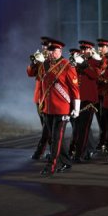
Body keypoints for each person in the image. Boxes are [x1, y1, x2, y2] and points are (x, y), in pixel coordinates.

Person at [37, 39, 80, 177]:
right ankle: (66, 161)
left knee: (56, 138)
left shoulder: (67, 66)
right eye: (50, 50)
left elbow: (75, 89)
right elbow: (34, 76)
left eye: (54, 51)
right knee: (55, 138)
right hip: (48, 108)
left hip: (62, 108)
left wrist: (76, 107)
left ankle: (51, 166)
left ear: (60, 51)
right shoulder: (45, 64)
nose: (51, 53)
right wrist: (35, 62)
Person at [72, 40, 102, 163]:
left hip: (88, 100)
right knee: (77, 128)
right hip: (77, 99)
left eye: (86, 49)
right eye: (82, 49)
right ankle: (85, 150)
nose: (84, 51)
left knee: (83, 129)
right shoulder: (77, 61)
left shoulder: (96, 61)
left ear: (91, 50)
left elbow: (96, 75)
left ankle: (79, 154)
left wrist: (84, 64)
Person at [27, 36, 50, 160]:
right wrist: (33, 63)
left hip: (48, 96)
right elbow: (30, 73)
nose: (44, 48)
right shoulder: (40, 57)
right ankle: (50, 151)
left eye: (46, 46)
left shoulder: (53, 60)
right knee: (45, 125)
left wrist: (44, 62)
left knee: (48, 126)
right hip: (39, 97)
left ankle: (40, 151)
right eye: (43, 46)